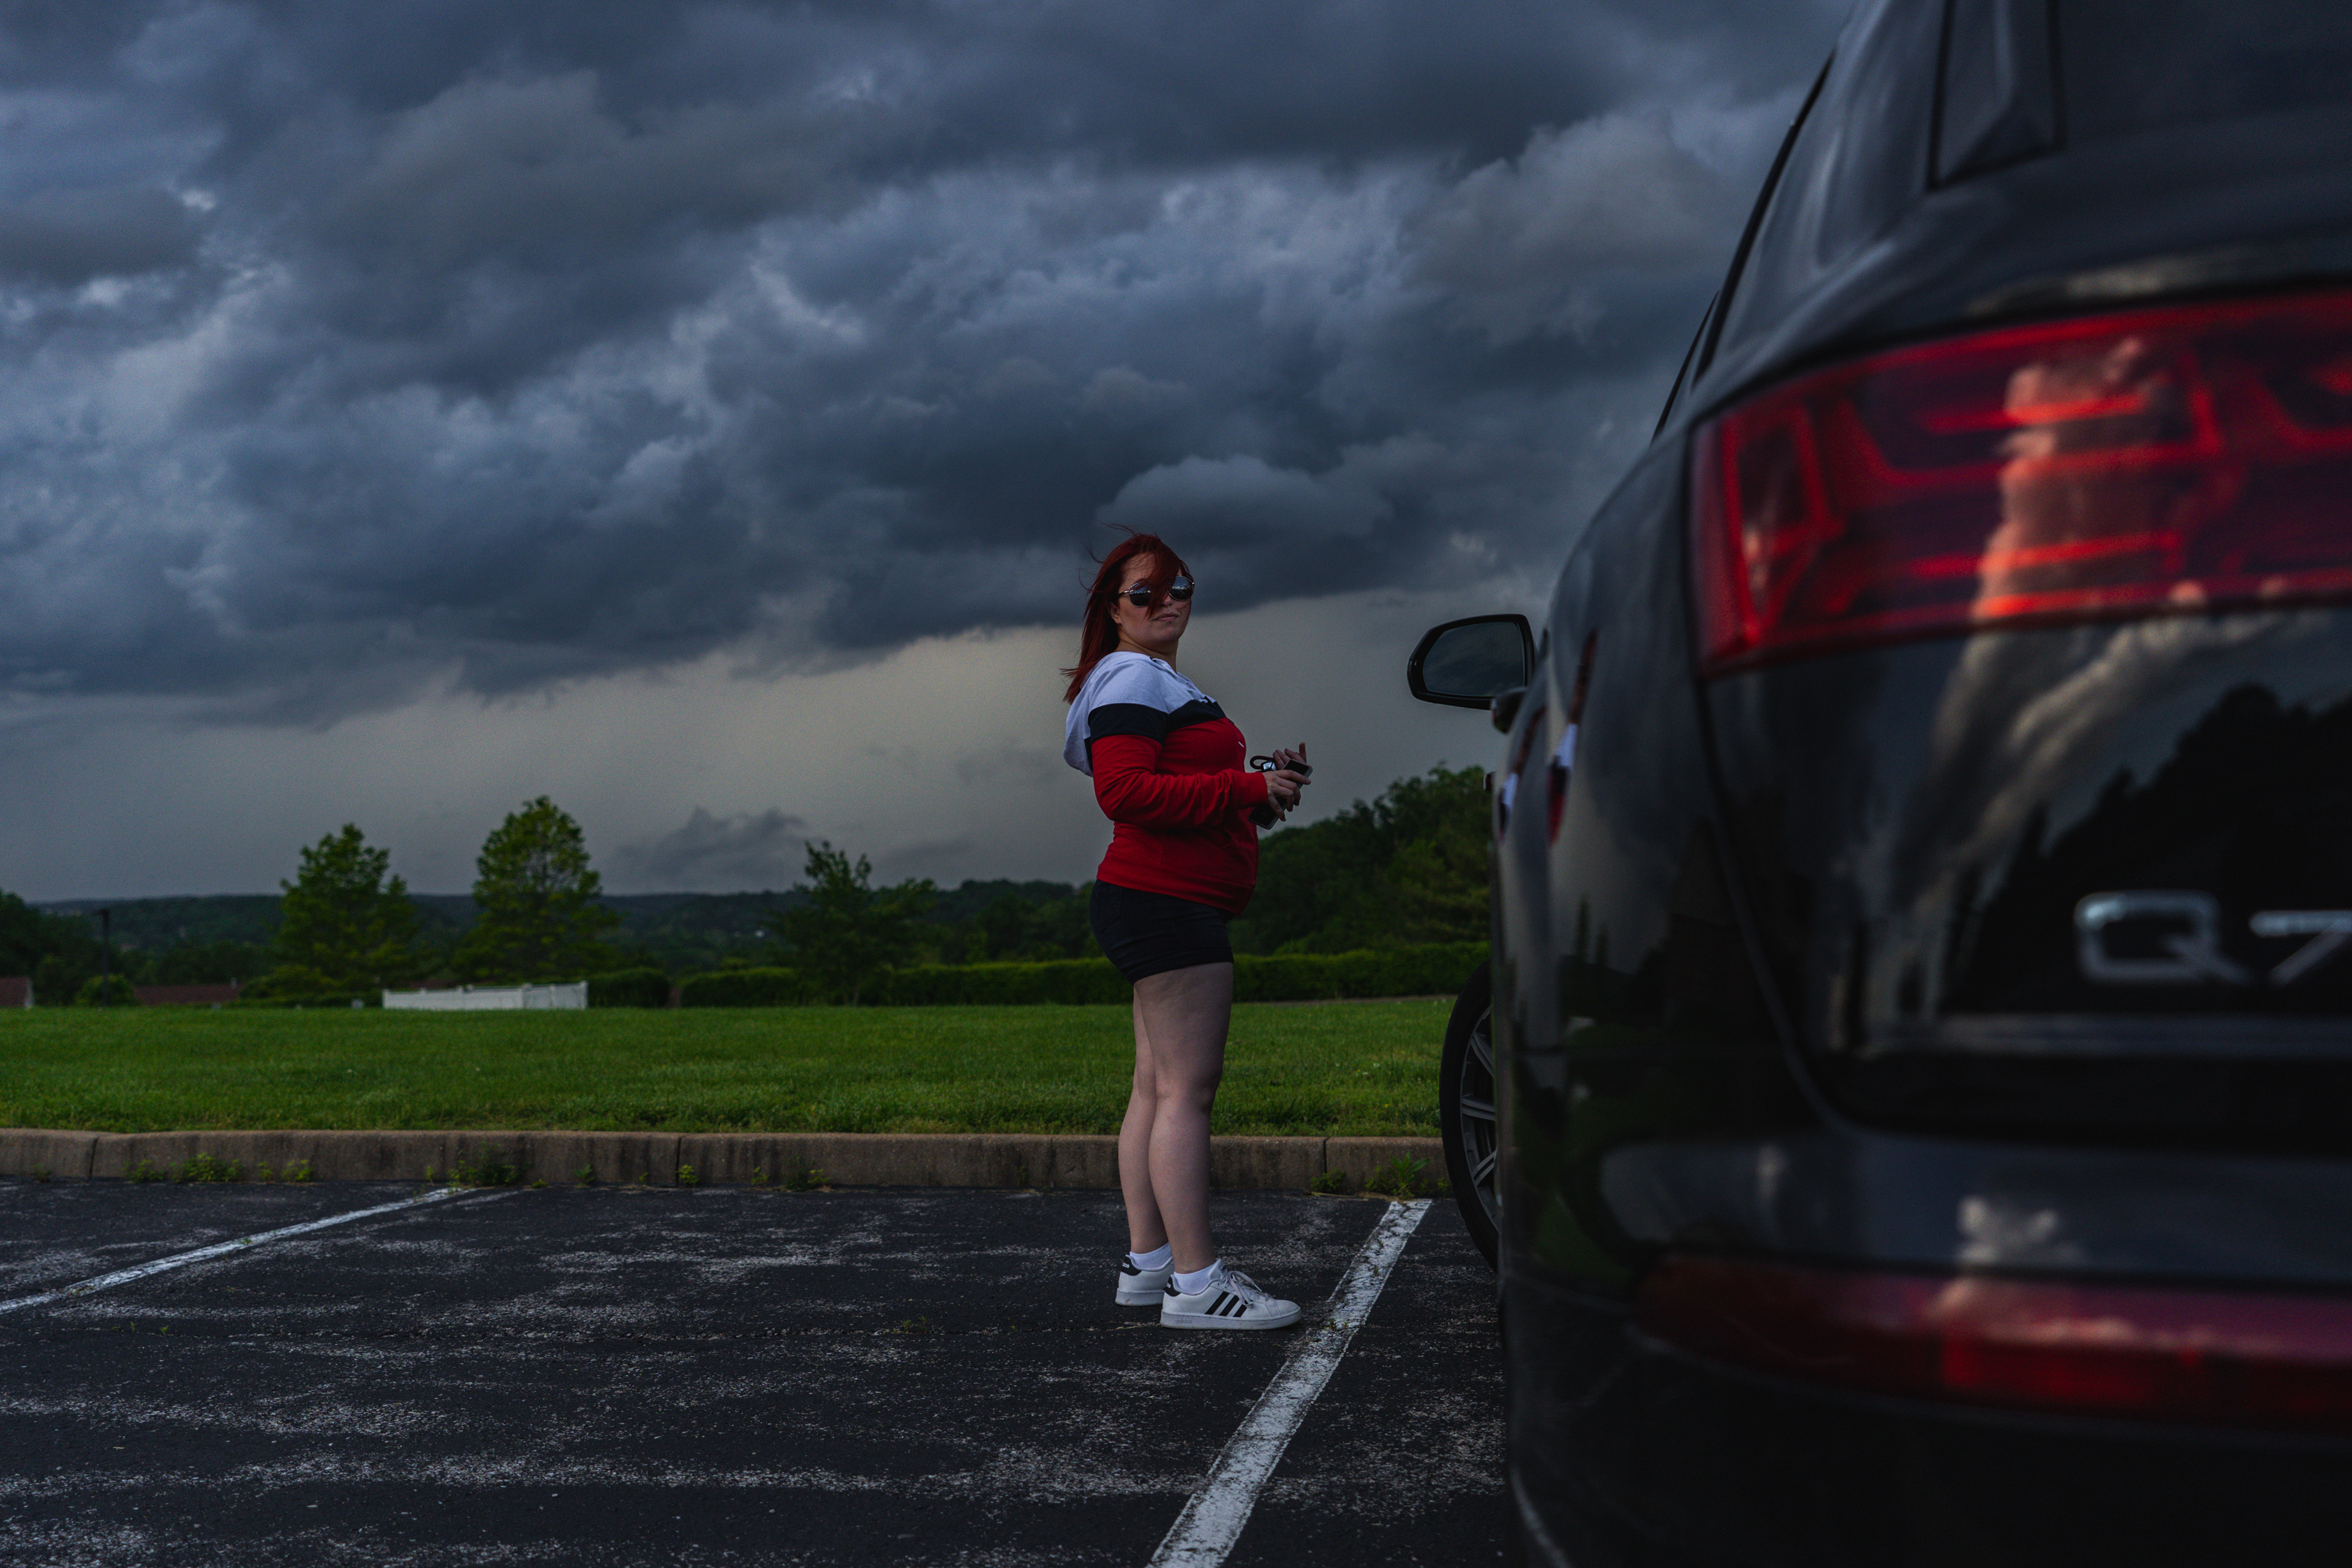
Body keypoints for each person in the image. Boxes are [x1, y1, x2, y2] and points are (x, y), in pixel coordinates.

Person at [1062, 533, 1310, 1330]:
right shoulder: (1133, 675)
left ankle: (1150, 1265)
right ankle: (1198, 1286)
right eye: (1145, 593)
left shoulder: (1154, 678)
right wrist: (1245, 787)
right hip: (1164, 901)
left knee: (1156, 1087)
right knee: (1185, 1094)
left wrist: (1261, 790)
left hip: (1155, 898)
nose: (1167, 601)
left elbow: (1178, 784)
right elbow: (1126, 792)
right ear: (1114, 609)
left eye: (1180, 587)